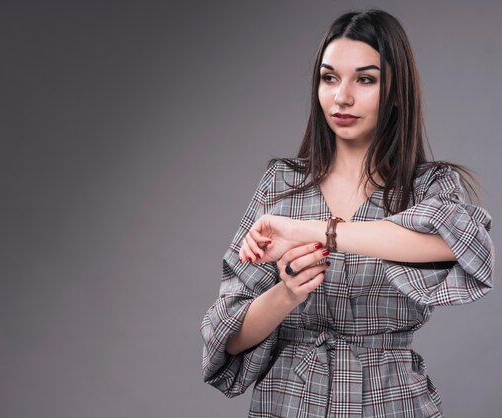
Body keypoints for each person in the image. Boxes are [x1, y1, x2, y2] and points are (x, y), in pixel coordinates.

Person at [200, 9, 494, 418]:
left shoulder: (429, 187)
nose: (342, 97)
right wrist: (288, 292)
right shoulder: (282, 183)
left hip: (391, 400)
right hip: (291, 400)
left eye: (366, 79)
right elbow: (224, 338)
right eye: (329, 78)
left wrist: (316, 232)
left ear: (394, 90)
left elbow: (463, 246)